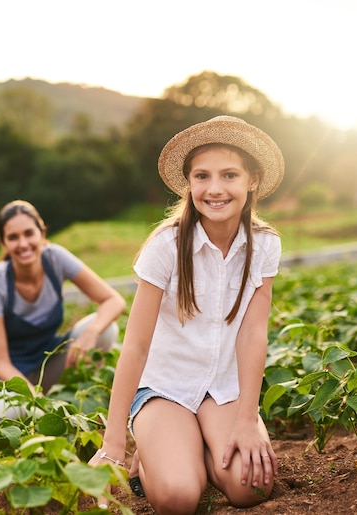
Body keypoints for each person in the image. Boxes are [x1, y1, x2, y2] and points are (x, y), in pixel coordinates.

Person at [89, 116, 284, 513]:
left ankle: (193, 450)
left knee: (252, 488)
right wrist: (113, 444)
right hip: (166, 388)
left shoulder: (264, 245)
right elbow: (137, 344)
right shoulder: (166, 245)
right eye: (202, 176)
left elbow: (253, 335)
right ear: (189, 183)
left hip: (224, 388)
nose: (214, 188)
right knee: (178, 498)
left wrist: (248, 418)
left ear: (253, 180)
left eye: (229, 174)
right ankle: (156, 455)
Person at [0, 200, 127, 418]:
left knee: (106, 331)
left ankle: (65, 402)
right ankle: (2, 416)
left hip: (46, 361)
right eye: (13, 237)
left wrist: (91, 332)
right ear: (3, 242)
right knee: (13, 414)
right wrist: (32, 396)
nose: (23, 244)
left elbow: (113, 300)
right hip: (5, 375)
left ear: (42, 233)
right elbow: (1, 362)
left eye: (28, 233)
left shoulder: (55, 259)